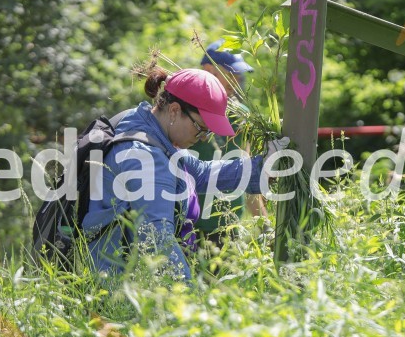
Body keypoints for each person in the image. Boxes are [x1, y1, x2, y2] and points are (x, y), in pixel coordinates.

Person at [82, 59, 286, 279]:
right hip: (115, 289)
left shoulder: (140, 122)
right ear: (174, 110)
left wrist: (263, 166)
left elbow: (203, 172)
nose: (203, 138)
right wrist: (191, 305)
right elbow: (159, 244)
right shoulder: (148, 159)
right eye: (200, 128)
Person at [193, 40, 267, 246]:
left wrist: (264, 224)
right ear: (209, 71)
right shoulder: (188, 111)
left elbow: (247, 172)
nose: (237, 79)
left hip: (228, 227)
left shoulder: (242, 114)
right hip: (189, 225)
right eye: (232, 73)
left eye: (239, 74)